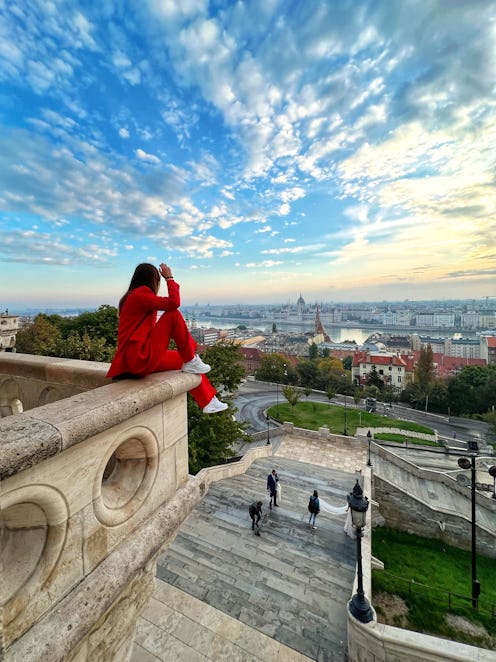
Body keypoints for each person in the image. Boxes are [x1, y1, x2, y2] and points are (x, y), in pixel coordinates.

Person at [106, 262, 228, 414]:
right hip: (138, 357)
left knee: (187, 363)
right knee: (173, 315)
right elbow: (174, 303)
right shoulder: (140, 294)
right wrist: (169, 278)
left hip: (134, 360)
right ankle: (191, 359)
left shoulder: (132, 297)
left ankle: (209, 401)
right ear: (153, 280)